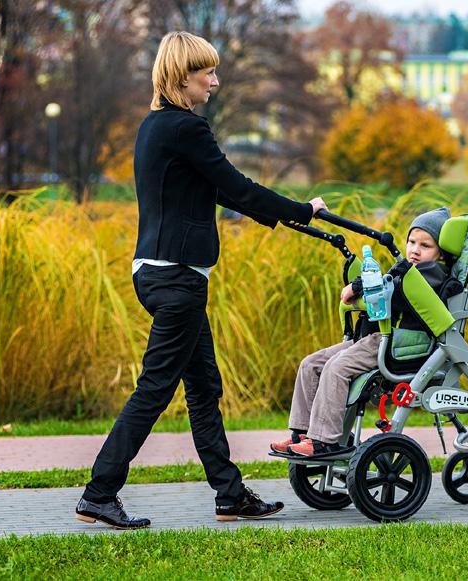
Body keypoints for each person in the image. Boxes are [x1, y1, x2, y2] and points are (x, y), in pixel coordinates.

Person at [74, 31, 328, 530]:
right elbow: (235, 183)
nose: (214, 81)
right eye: (206, 73)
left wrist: (288, 218)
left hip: (160, 273)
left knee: (202, 386)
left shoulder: (156, 127)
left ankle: (230, 495)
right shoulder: (187, 128)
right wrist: (302, 210)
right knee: (155, 389)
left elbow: (218, 192)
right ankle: (98, 493)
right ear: (179, 78)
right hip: (176, 281)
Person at [271, 207, 456, 457]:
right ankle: (302, 434)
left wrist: (357, 286)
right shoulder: (407, 271)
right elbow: (389, 281)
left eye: (425, 245)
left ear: (440, 253)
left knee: (336, 368)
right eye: (412, 241)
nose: (415, 249)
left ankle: (324, 441)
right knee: (310, 364)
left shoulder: (431, 274)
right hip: (376, 338)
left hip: (398, 343)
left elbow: (393, 290)